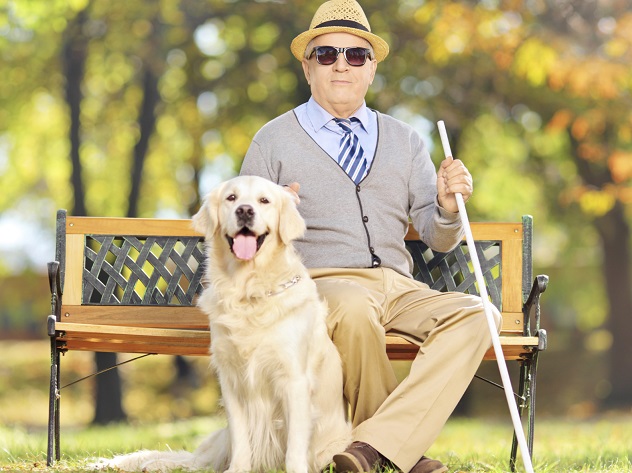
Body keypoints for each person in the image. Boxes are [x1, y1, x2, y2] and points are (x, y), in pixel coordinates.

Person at [240, 1, 502, 472]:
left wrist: (445, 206)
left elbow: (438, 238)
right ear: (307, 66)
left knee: (479, 313)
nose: (342, 64)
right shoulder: (273, 140)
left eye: (356, 55)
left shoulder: (406, 140)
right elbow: (241, 239)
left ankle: (374, 447)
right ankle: (397, 453)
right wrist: (271, 214)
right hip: (320, 283)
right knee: (354, 308)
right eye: (327, 54)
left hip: (399, 287)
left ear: (372, 68)